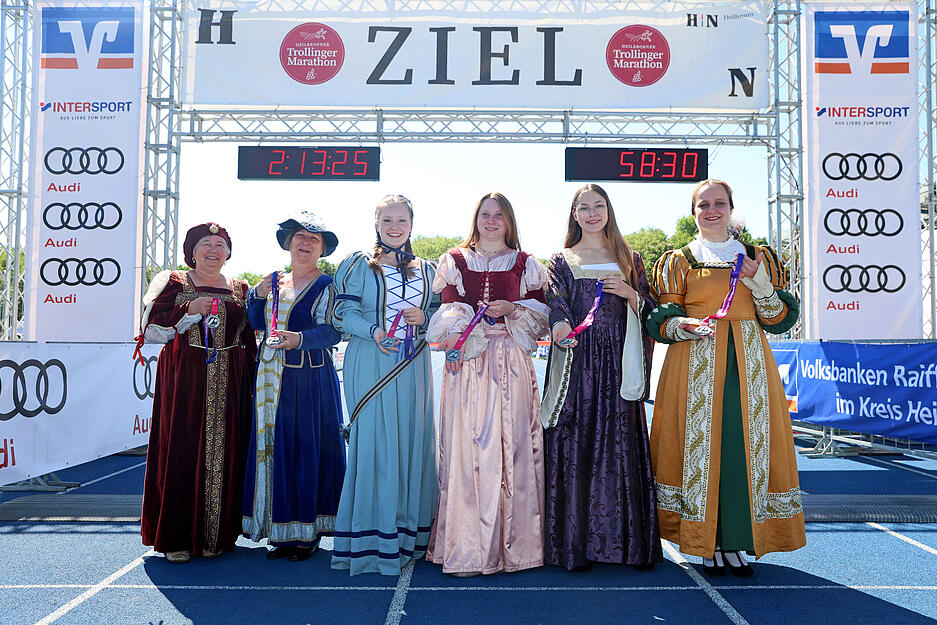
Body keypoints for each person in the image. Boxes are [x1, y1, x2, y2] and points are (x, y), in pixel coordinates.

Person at [647, 179, 805, 577]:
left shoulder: (759, 257)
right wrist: (683, 322)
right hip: (695, 362)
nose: (712, 210)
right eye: (704, 204)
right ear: (694, 212)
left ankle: (736, 540)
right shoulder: (678, 260)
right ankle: (703, 541)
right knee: (699, 446)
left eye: (719, 203)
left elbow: (780, 319)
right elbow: (661, 318)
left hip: (749, 364)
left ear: (731, 209)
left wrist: (761, 284)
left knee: (741, 447)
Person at [426, 192, 549, 576]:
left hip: (511, 360)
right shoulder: (455, 261)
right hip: (469, 361)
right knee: (468, 449)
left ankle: (516, 547)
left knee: (513, 449)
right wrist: (464, 328)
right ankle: (467, 545)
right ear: (475, 218)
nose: (491, 221)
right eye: (485, 214)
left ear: (509, 221)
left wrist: (514, 309)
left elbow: (541, 313)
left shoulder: (527, 264)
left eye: (499, 215)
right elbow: (447, 310)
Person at [541, 184, 662, 571]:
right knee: (575, 442)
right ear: (574, 214)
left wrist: (630, 293)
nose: (592, 213)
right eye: (584, 207)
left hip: (617, 363)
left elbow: (651, 309)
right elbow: (556, 301)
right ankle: (572, 544)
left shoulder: (629, 257)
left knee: (617, 445)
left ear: (608, 211)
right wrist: (560, 326)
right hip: (577, 362)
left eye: (599, 206)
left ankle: (621, 543)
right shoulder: (561, 259)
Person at [330, 195, 439, 576]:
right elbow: (341, 312)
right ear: (376, 223)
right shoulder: (359, 264)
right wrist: (373, 330)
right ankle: (372, 542)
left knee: (411, 442)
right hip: (371, 359)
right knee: (375, 443)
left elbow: (442, 313)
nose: (395, 227)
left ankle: (409, 537)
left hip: (413, 364)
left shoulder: (428, 268)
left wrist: (423, 317)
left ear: (412, 224)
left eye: (402, 220)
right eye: (388, 220)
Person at [137, 222, 257, 563]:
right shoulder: (174, 281)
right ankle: (176, 536)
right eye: (206, 243)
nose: (214, 250)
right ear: (192, 250)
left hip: (231, 382)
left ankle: (216, 537)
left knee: (227, 452)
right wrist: (186, 312)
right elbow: (148, 330)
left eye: (220, 244)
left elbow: (248, 338)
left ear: (229, 252)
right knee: (182, 449)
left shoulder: (240, 288)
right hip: (184, 380)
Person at [241, 211, 345, 562]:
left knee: (303, 452)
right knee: (273, 449)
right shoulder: (272, 281)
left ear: (322, 249)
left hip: (308, 379)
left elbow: (332, 331)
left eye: (313, 239)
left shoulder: (326, 285)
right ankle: (279, 529)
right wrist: (254, 298)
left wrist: (297, 338)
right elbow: (254, 322)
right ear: (288, 243)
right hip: (271, 378)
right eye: (299, 236)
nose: (304, 243)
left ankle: (305, 532)